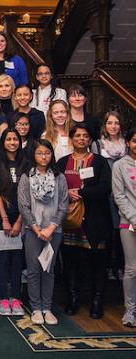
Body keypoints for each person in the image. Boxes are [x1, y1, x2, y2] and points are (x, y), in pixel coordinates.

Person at [58, 124, 112, 319]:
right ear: (71, 139)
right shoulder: (62, 162)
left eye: (85, 136)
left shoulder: (99, 162)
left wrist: (81, 193)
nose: (81, 139)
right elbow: (55, 187)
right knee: (71, 264)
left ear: (90, 140)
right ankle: (73, 299)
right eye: (77, 136)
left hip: (95, 220)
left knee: (97, 265)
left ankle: (96, 302)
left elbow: (105, 188)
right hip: (69, 222)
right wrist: (67, 194)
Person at [18, 139, 68, 326]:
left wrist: (51, 227)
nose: (44, 156)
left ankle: (47, 308)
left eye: (47, 153)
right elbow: (23, 206)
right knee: (33, 270)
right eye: (40, 153)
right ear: (33, 155)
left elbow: (63, 205)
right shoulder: (26, 177)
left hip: (53, 230)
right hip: (33, 230)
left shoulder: (59, 177)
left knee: (48, 269)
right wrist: (37, 229)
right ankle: (36, 308)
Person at [0, 128, 28, 316]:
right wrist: (5, 219)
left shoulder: (26, 162)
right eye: (9, 139)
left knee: (17, 258)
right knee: (2, 258)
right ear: (3, 142)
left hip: (21, 216)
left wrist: (19, 221)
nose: (13, 142)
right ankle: (2, 297)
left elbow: (29, 194)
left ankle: (15, 297)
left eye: (15, 139)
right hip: (2, 216)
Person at [92, 111, 127, 281]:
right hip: (105, 194)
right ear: (104, 125)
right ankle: (107, 267)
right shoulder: (98, 145)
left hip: (124, 194)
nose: (113, 126)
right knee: (107, 232)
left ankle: (119, 266)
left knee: (122, 232)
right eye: (110, 123)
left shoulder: (127, 145)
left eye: (116, 123)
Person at [112, 128, 136, 327]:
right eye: (135, 141)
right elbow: (119, 196)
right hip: (129, 223)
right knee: (132, 268)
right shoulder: (120, 165)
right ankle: (130, 310)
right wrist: (134, 219)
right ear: (128, 142)